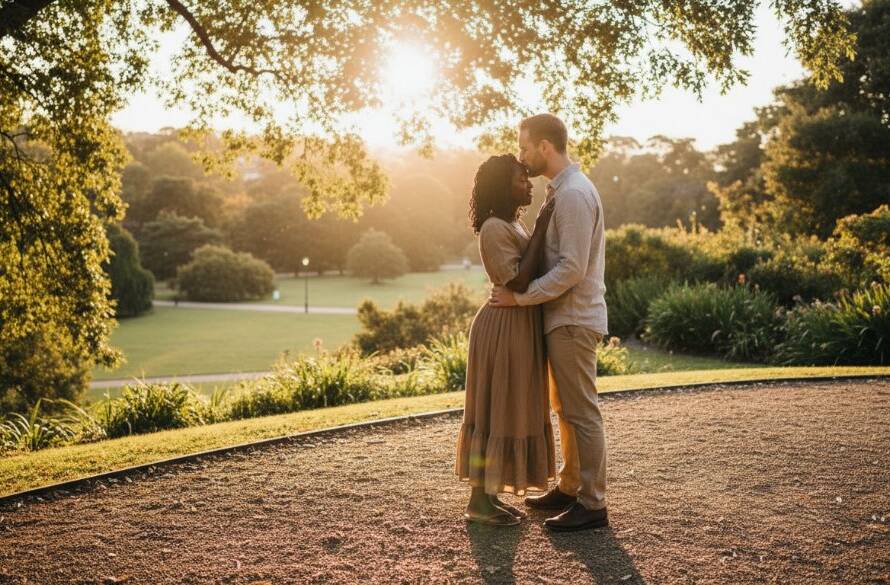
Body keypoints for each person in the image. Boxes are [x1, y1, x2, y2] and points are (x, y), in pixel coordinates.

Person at [489, 113, 610, 532]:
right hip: (561, 317)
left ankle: (592, 504)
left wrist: (520, 298)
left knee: (581, 411)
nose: (522, 157)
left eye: (524, 148)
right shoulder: (562, 192)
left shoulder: (575, 194)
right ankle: (570, 485)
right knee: (565, 409)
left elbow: (572, 269)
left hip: (573, 317)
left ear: (545, 147)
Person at [456, 153, 557, 526]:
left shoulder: (512, 225)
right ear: (503, 186)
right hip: (502, 328)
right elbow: (516, 281)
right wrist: (544, 224)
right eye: (520, 179)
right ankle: (478, 502)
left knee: (507, 405)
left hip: (519, 324)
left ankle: (488, 496)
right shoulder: (495, 227)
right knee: (495, 406)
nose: (529, 184)